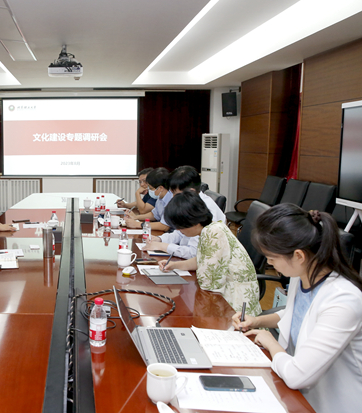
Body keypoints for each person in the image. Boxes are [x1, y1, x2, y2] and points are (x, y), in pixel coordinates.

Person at [233, 204, 362, 413]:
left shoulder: (343, 300)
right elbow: (294, 314)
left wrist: (271, 342)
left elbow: (297, 375)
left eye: (272, 258)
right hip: (296, 392)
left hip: (331, 403)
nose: (269, 263)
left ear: (299, 256)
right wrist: (257, 321)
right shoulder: (302, 275)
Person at [160, 191, 261, 315]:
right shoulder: (211, 228)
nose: (179, 230)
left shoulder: (213, 233)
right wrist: (175, 265)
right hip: (225, 294)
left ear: (193, 221)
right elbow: (200, 260)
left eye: (180, 226)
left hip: (233, 304)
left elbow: (209, 282)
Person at [144, 166, 225, 259]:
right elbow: (180, 233)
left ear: (191, 191)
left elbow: (194, 253)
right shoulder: (190, 203)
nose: (173, 197)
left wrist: (164, 246)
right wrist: (160, 239)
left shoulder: (205, 209)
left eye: (175, 193)